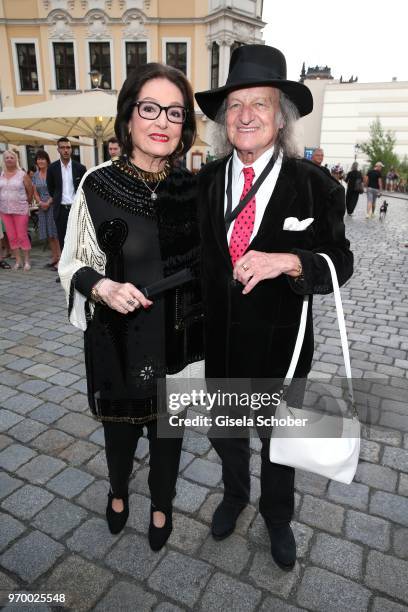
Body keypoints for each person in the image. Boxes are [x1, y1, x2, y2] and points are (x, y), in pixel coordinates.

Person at [195, 44, 353, 570]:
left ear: (280, 116)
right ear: (223, 119)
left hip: (282, 352)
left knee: (280, 444)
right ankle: (235, 495)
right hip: (220, 344)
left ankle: (277, 516)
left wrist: (288, 260)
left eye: (259, 104)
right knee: (226, 433)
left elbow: (340, 263)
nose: (245, 115)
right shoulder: (203, 183)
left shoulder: (316, 186)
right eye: (235, 104)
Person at [58, 62, 203, 550]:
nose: (163, 122)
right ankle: (118, 493)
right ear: (129, 117)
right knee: (119, 438)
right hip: (118, 341)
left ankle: (162, 505)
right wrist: (102, 287)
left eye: (175, 112)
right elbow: (70, 262)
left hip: (178, 345)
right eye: (150, 108)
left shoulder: (194, 190)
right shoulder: (97, 186)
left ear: (185, 126)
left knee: (169, 441)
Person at [46, 137, 86, 250]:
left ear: (71, 149)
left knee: (79, 239)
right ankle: (67, 266)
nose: (65, 150)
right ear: (58, 150)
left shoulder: (80, 168)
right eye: (62, 148)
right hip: (61, 210)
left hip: (76, 209)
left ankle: (78, 266)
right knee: (63, 240)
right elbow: (51, 188)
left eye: (68, 147)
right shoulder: (52, 168)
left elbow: (84, 189)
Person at [0, 150, 33, 270]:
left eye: (11, 157)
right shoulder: (1, 174)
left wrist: (26, 203)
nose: (9, 159)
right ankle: (18, 261)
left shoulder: (22, 174)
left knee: (22, 235)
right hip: (5, 210)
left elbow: (30, 190)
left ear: (16, 160)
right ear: (4, 160)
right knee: (11, 236)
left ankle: (27, 261)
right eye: (7, 157)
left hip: (20, 210)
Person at [32, 151, 61, 269]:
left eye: (43, 159)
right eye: (38, 159)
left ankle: (60, 258)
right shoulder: (35, 175)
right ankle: (54, 257)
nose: (40, 161)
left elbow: (56, 190)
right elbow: (34, 191)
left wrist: (48, 202)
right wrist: (40, 202)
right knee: (49, 234)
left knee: (55, 233)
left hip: (52, 205)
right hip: (42, 207)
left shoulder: (52, 172)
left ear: (47, 160)